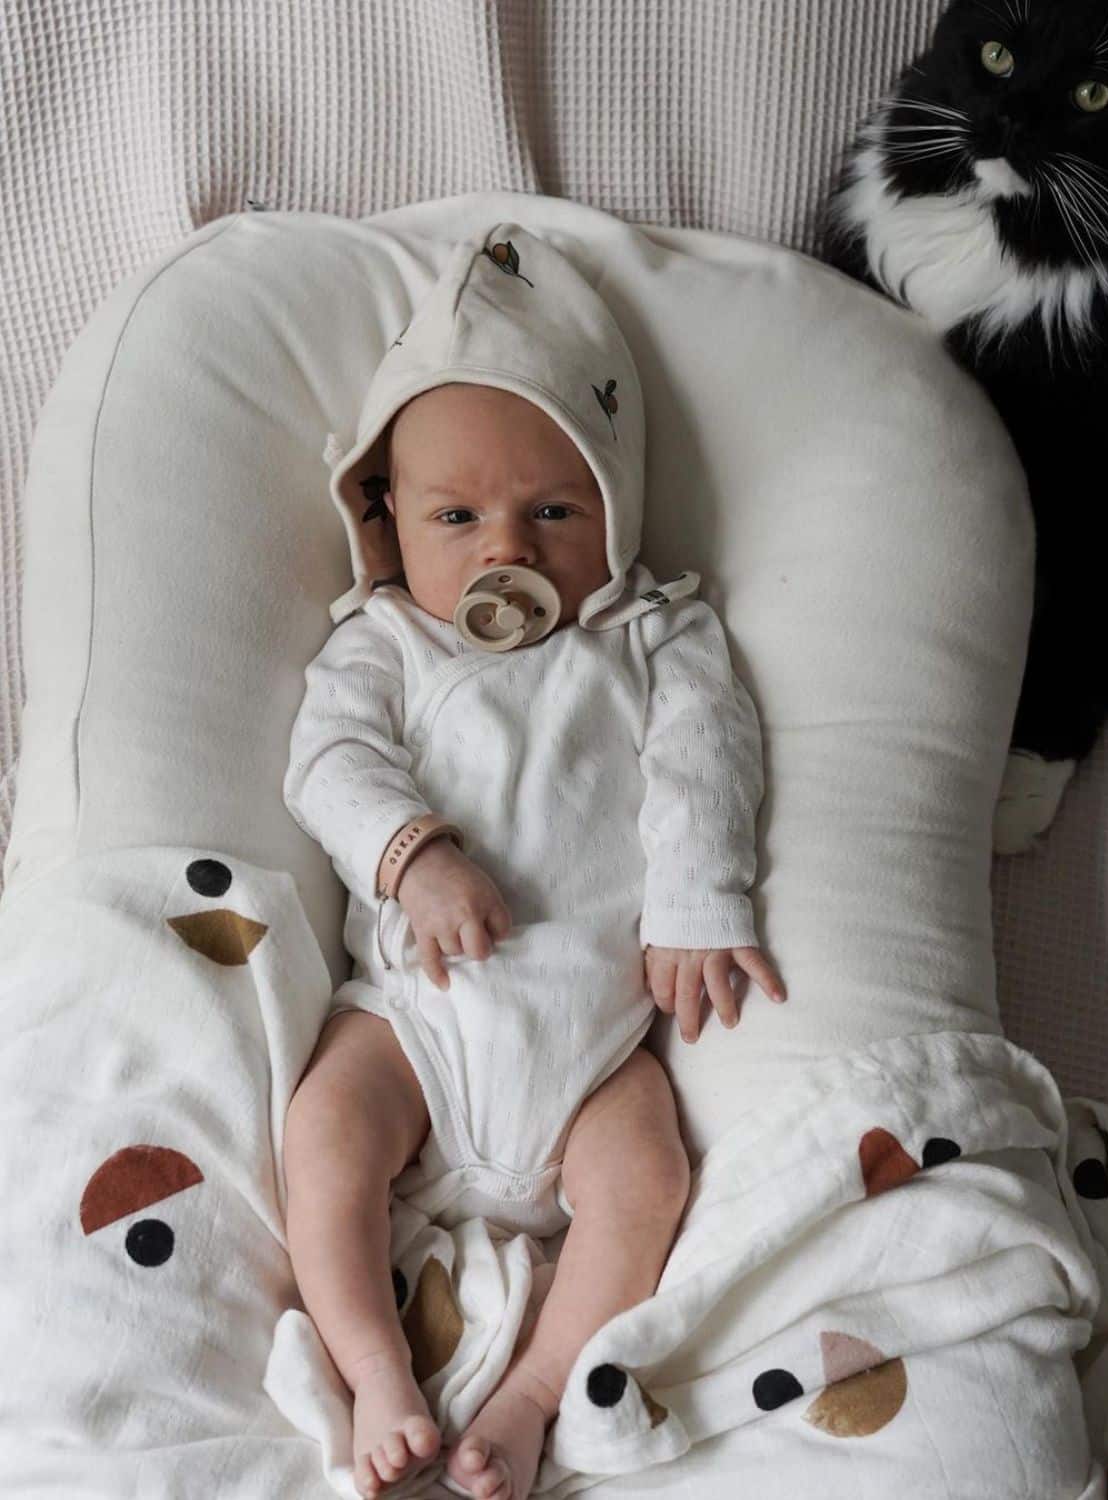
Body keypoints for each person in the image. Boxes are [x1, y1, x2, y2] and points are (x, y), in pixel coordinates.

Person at [282, 224, 784, 1500]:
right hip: (418, 1028)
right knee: (324, 1133)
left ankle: (529, 1394)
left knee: (649, 1172)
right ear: (389, 520)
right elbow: (329, 769)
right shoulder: (386, 644)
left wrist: (694, 903)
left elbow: (705, 765)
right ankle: (376, 1370)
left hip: (593, 1057)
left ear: (611, 508)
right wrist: (415, 857)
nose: (506, 548)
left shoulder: (655, 634)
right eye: (459, 516)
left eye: (553, 511)